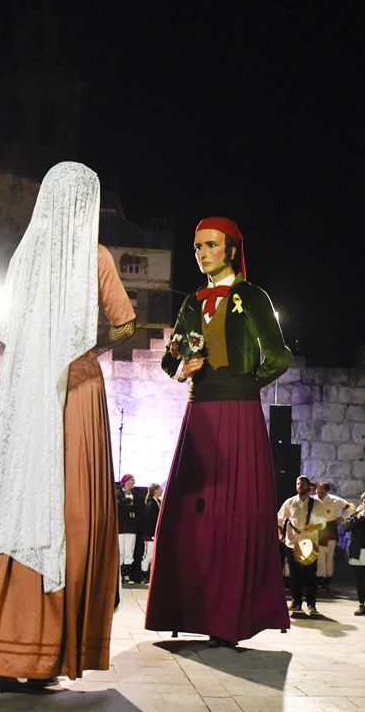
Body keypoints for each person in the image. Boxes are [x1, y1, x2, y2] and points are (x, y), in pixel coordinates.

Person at [0, 162, 136, 680]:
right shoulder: (95, 258)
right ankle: (48, 651)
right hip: (78, 390)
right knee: (69, 512)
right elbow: (127, 324)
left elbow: (8, 330)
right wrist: (86, 347)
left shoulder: (28, 260)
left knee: (8, 503)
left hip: (26, 394)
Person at [144, 215, 292, 645]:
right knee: (192, 515)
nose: (203, 253)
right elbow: (171, 358)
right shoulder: (192, 301)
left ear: (230, 250)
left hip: (239, 410)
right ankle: (189, 610)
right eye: (197, 247)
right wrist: (180, 366)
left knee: (234, 513)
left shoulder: (253, 296)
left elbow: (279, 355)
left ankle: (231, 618)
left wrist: (248, 382)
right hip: (201, 411)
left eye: (211, 245)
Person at [278, 476, 323, 617]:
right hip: (292, 543)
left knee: (310, 575)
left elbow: (323, 523)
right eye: (298, 483)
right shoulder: (290, 502)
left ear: (309, 487)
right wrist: (280, 535)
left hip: (310, 543)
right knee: (294, 575)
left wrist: (313, 527)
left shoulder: (317, 504)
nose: (300, 486)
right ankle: (296, 601)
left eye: (303, 484)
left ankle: (311, 603)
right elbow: (279, 520)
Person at [116, 474, 141, 583]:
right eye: (132, 480)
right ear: (125, 482)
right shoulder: (118, 493)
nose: (133, 483)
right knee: (120, 550)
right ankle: (119, 575)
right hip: (121, 528)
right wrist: (126, 501)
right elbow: (117, 508)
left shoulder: (136, 495)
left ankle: (127, 575)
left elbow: (139, 508)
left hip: (131, 528)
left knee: (129, 551)